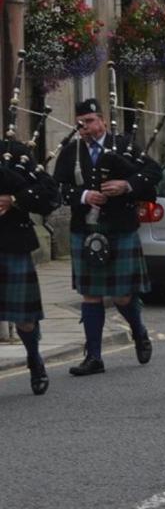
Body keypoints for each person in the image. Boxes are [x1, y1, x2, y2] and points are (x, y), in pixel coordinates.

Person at [53, 98, 160, 377]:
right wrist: (85, 196)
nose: (85, 127)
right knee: (91, 295)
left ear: (101, 120)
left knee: (123, 296)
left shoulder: (123, 146)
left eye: (89, 121)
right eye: (80, 123)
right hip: (85, 230)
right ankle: (94, 357)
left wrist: (125, 185)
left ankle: (139, 331)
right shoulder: (70, 152)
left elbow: (152, 173)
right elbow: (57, 188)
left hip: (119, 227)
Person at [0, 138, 61, 395]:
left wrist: (14, 198)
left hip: (11, 244)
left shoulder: (15, 153)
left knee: (25, 320)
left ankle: (34, 359)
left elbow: (50, 194)